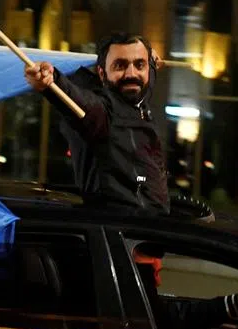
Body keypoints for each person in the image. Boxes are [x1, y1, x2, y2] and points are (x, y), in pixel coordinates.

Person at [25, 32, 169, 215]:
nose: (131, 74)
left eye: (139, 64)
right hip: (119, 231)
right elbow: (77, 99)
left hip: (152, 227)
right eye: (120, 65)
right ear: (102, 73)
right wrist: (50, 84)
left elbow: (145, 78)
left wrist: (152, 64)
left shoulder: (138, 97)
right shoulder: (102, 111)